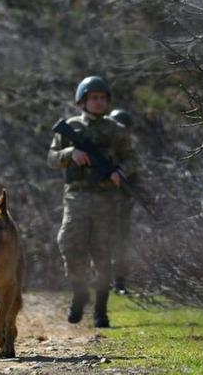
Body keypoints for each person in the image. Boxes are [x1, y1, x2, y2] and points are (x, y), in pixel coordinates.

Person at [47, 76, 136, 328]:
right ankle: (79, 292)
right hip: (77, 196)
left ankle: (100, 310)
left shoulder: (116, 130)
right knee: (70, 244)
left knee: (103, 253)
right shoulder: (71, 127)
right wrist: (70, 154)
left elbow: (132, 158)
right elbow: (51, 158)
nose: (98, 102)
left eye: (102, 98)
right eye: (93, 98)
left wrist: (121, 172)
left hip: (106, 199)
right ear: (83, 100)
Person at [107, 108, 135, 294]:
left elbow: (134, 172)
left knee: (121, 242)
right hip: (101, 202)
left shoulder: (128, 152)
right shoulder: (105, 148)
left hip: (122, 203)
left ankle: (119, 281)